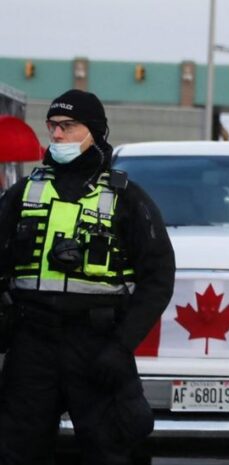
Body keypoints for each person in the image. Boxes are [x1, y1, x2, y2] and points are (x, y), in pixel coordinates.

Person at [0, 89, 176, 465]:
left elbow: (159, 277)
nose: (58, 136)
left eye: (68, 126)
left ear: (94, 131)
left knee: (113, 452)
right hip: (32, 344)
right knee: (16, 451)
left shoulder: (128, 199)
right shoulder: (23, 194)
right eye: (53, 127)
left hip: (98, 347)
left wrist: (122, 345)